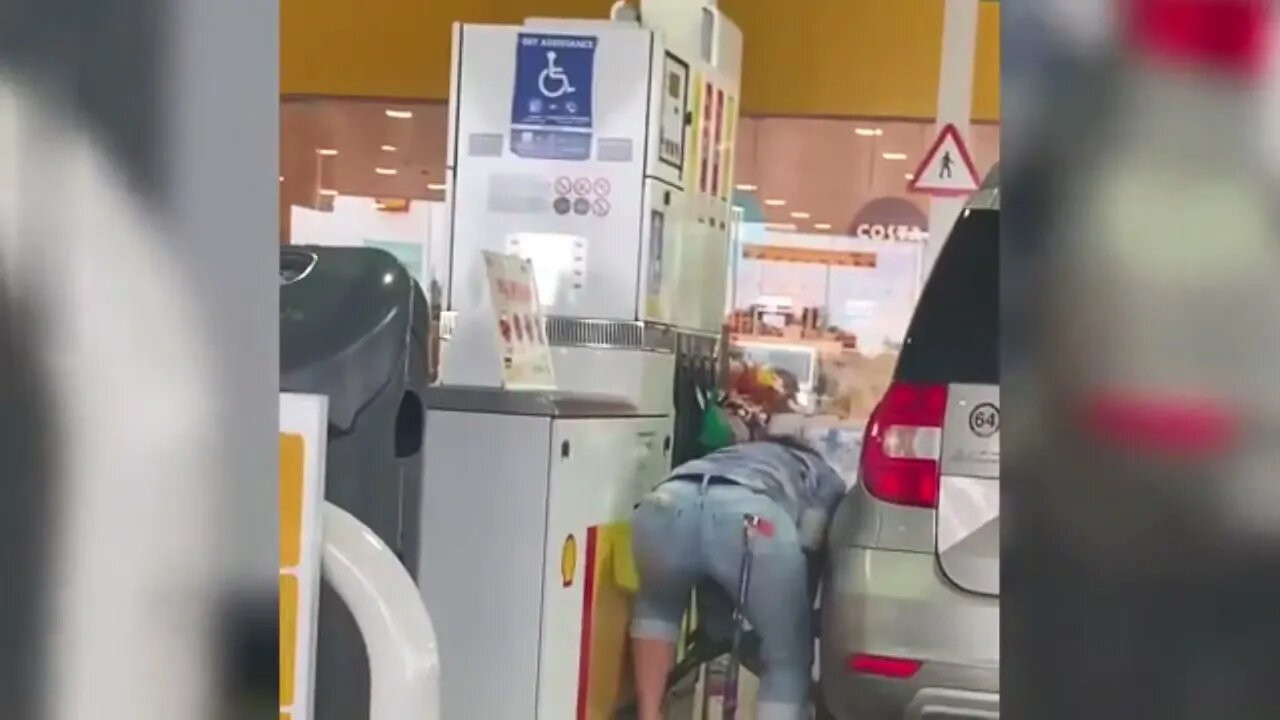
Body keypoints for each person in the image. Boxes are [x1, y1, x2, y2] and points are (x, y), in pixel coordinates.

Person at [628, 406, 847, 720]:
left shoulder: (733, 453)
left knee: (657, 609)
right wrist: (797, 616)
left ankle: (648, 715)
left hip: (666, 502)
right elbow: (811, 538)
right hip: (754, 519)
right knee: (786, 659)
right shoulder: (821, 473)